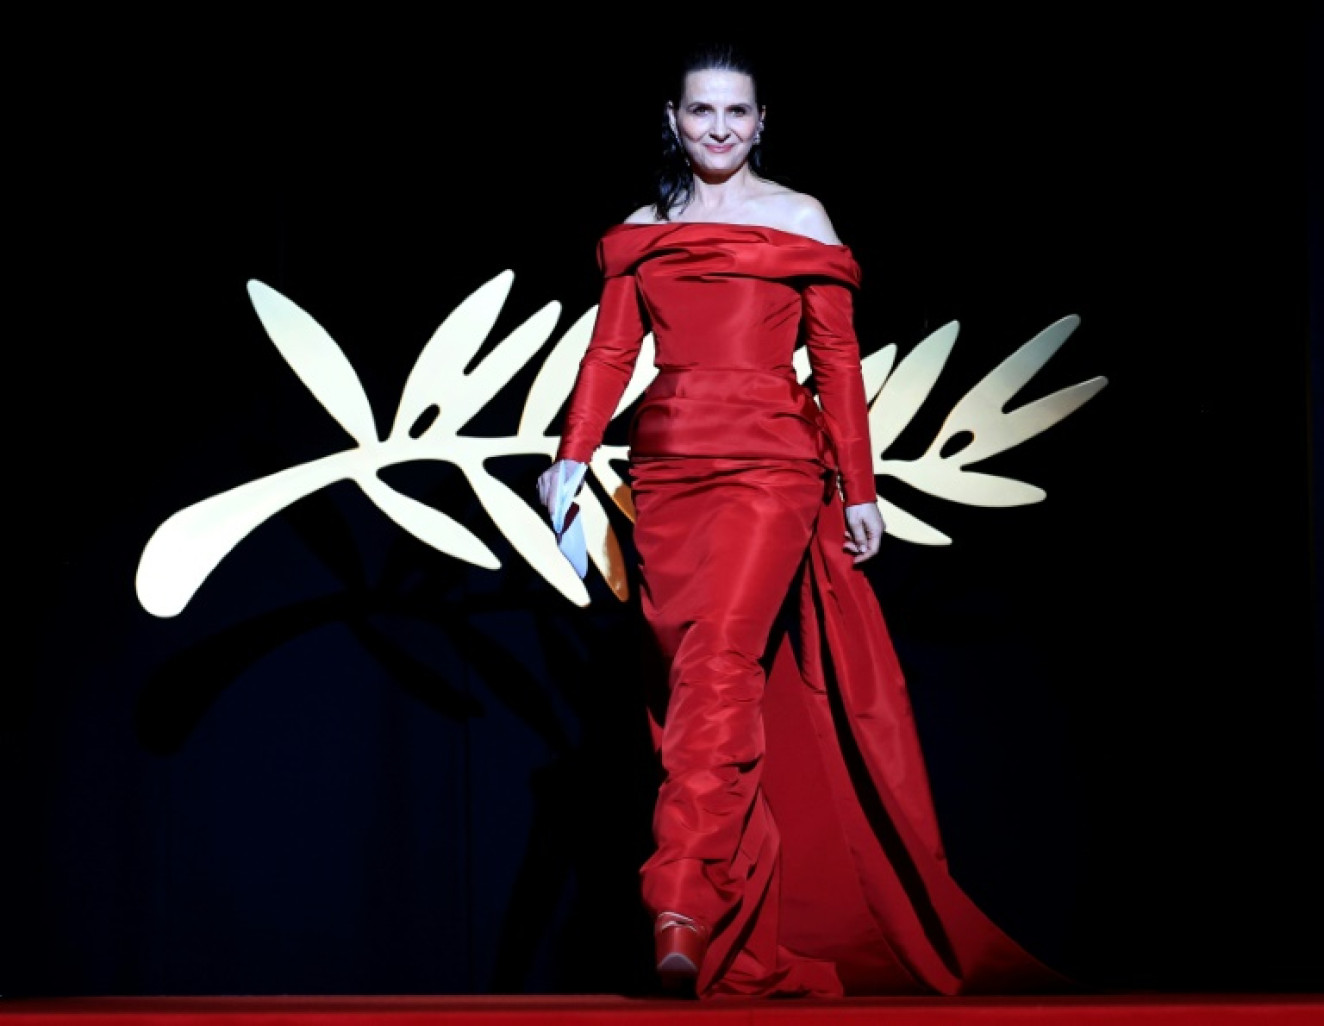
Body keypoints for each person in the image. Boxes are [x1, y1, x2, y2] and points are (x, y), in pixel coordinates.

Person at [537, 41, 1068, 1000]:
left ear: (762, 121)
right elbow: (611, 357)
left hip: (772, 468)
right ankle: (735, 914)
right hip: (666, 473)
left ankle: (682, 904)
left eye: (737, 113)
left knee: (721, 664)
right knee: (688, 685)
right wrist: (572, 457)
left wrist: (858, 490)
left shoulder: (800, 219)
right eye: (702, 112)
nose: (719, 129)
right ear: (672, 118)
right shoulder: (642, 230)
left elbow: (836, 364)